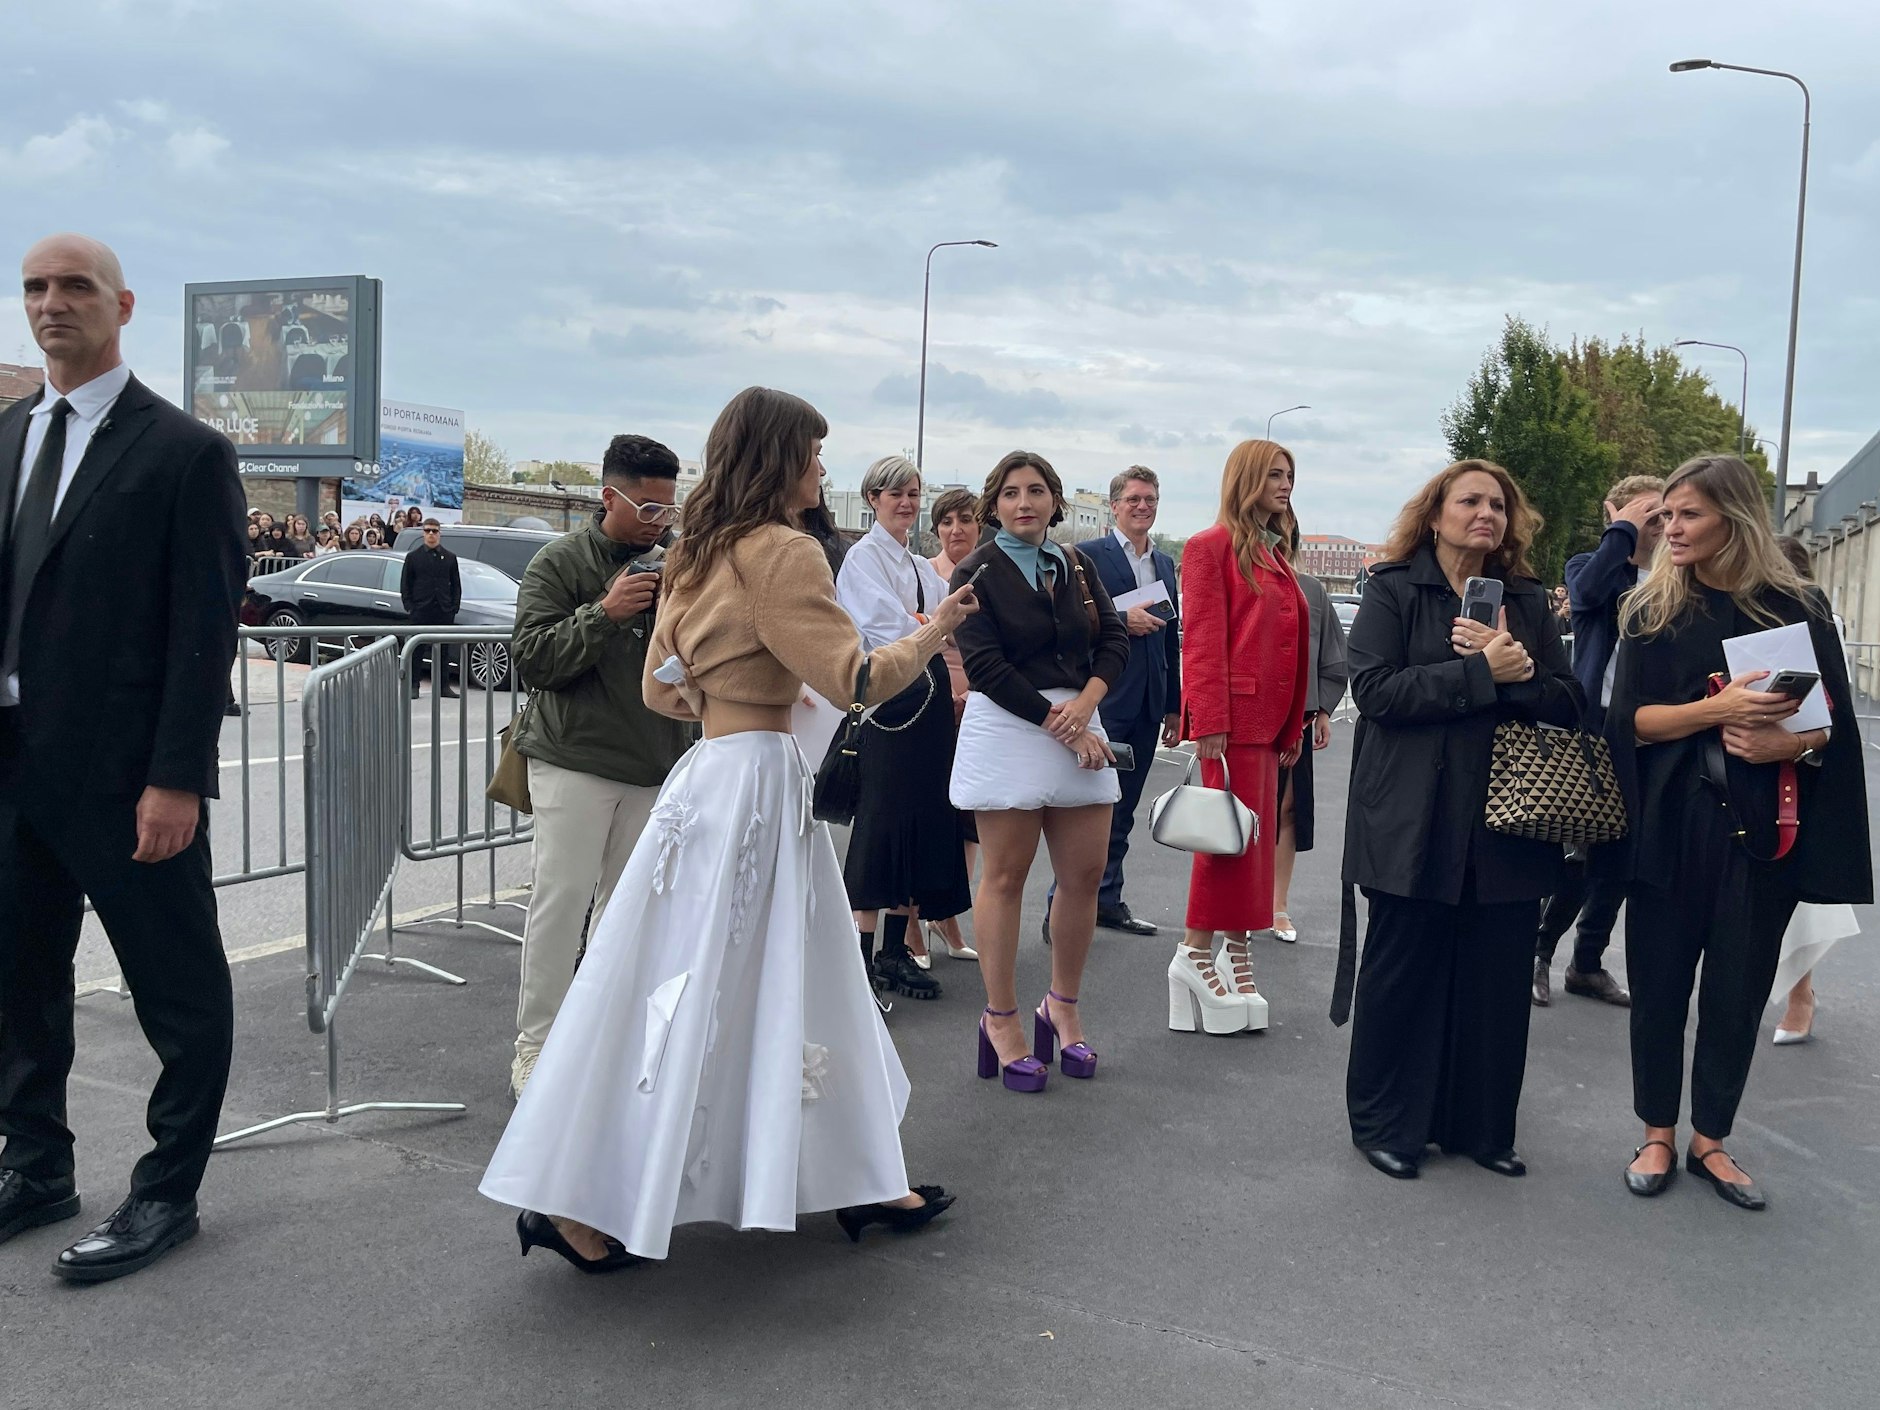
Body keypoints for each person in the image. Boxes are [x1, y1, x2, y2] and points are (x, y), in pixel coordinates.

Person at [480, 385, 973, 1264]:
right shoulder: (785, 552)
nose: (822, 468)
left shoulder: (695, 550)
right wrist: (935, 630)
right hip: (758, 785)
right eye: (813, 453)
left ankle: (592, 1187)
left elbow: (658, 689)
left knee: (673, 972)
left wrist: (724, 693)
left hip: (706, 774)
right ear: (781, 460)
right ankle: (846, 1175)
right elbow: (856, 678)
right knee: (773, 972)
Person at [0, 233, 246, 1281]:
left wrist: (177, 778)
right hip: (12, 770)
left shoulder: (185, 452)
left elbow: (203, 629)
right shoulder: (10, 434)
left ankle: (166, 1191)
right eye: (34, 287)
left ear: (123, 304)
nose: (51, 303)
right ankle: (36, 1166)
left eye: (75, 286)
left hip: (126, 778)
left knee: (176, 992)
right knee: (19, 983)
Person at [1610, 457, 1870, 1209]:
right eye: (1665, 516)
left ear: (1736, 517)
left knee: (1738, 990)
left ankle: (1711, 1140)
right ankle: (1657, 1132)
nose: (1670, 528)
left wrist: (1791, 743)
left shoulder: (1797, 608)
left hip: (1763, 835)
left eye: (1687, 514)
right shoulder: (1652, 609)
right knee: (1659, 986)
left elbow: (1833, 727)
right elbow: (1630, 722)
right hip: (1668, 828)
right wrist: (1716, 712)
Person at [1334, 460, 1582, 1181]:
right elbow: (1376, 691)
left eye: (1498, 505)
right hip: (1412, 817)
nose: (1486, 514)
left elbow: (1570, 702)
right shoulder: (1392, 588)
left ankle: (1482, 1128)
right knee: (1403, 972)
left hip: (1507, 818)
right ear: (1435, 514)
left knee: (1496, 979)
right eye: (1470, 501)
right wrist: (1480, 675)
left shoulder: (1527, 599)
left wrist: (1522, 672)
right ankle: (1386, 1124)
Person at [505, 435, 696, 1099]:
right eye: (648, 508)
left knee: (628, 918)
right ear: (608, 497)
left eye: (669, 509)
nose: (660, 522)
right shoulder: (560, 561)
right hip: (575, 761)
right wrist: (605, 613)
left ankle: (608, 1045)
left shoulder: (678, 562)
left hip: (657, 765)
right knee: (560, 909)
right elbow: (532, 659)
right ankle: (535, 1051)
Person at [948, 451, 1129, 1093]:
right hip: (1009, 725)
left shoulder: (1076, 564)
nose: (1023, 503)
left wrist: (1085, 708)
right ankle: (1001, 1021)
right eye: (1009, 493)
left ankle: (1062, 1006)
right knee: (1005, 876)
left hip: (1080, 720)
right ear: (993, 505)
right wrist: (1065, 725)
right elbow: (985, 665)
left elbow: (1114, 640)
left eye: (1035, 491)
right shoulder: (975, 571)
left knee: (1083, 874)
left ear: (1054, 500)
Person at [1173, 441, 1310, 1033]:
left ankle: (1234, 949)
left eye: (1290, 475)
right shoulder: (1210, 547)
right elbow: (1202, 641)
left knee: (1249, 845)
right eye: (1275, 475)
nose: (1286, 485)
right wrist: (1208, 721)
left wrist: (1294, 721)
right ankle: (1194, 953)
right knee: (1225, 841)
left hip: (1267, 724)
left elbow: (1290, 646)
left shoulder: (1272, 550)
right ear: (1247, 478)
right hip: (1232, 724)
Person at [836, 456, 972, 1000]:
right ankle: (862, 954)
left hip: (930, 702)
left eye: (913, 493)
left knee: (919, 822)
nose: (906, 502)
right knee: (881, 823)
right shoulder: (862, 558)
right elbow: (881, 628)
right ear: (873, 498)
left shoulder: (918, 566)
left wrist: (929, 625)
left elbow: (950, 620)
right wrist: (932, 625)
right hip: (889, 705)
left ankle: (896, 949)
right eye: (895, 493)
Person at [1532, 475, 1664, 1008]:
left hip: (1655, 728)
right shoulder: (1593, 565)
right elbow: (1584, 596)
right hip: (1596, 725)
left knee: (1624, 857)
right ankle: (1538, 953)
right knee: (1578, 851)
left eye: (1662, 514)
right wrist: (1622, 532)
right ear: (1617, 514)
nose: (1657, 524)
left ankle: (1587, 963)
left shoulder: (1678, 575)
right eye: (1646, 513)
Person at [1042, 466, 1181, 943]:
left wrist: (1174, 706)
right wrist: (1123, 617)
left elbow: (1171, 640)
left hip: (1148, 703)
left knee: (1124, 811)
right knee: (1087, 811)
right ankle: (1058, 910)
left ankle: (1107, 899)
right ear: (1115, 505)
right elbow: (1068, 619)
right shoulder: (1087, 556)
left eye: (1151, 499)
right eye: (1134, 499)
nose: (1143, 507)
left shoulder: (1164, 564)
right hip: (1105, 700)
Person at [1768, 535, 1852, 1046]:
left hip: (1805, 762)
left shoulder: (1820, 618)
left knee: (1798, 888)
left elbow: (1836, 700)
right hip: (1748, 758)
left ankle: (1802, 994)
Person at [1271, 539, 1349, 944]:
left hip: (1298, 715)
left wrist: (1322, 711)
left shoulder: (1311, 589)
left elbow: (1329, 654)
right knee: (1246, 814)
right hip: (1250, 718)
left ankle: (1277, 905)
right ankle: (1240, 905)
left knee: (1288, 810)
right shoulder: (1242, 579)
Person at [922, 488, 984, 966]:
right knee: (926, 815)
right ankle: (913, 920)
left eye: (965, 519)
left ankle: (948, 915)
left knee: (969, 820)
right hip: (928, 701)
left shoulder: (993, 574)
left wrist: (974, 695)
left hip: (981, 705)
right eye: (946, 521)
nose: (956, 529)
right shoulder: (925, 574)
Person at [401, 518, 461, 699]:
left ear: (439, 533)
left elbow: (456, 585)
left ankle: (443, 686)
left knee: (443, 651)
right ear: (423, 533)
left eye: (434, 531)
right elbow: (406, 584)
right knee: (417, 650)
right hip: (421, 610)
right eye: (428, 531)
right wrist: (410, 606)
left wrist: (453, 607)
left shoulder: (450, 557)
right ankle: (414, 685)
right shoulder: (413, 557)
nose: (431, 534)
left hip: (443, 610)